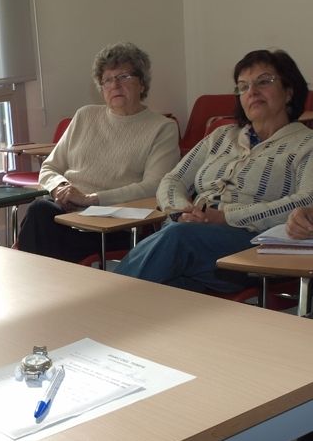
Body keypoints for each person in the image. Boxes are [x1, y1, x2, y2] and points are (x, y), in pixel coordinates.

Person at [116, 49, 313, 292]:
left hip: (248, 242)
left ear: (289, 91)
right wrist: (181, 210)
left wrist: (225, 217)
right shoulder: (221, 136)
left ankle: (99, 308)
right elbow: (173, 179)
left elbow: (307, 199)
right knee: (169, 287)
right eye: (243, 86)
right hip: (191, 236)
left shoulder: (306, 143)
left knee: (176, 242)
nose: (252, 92)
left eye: (264, 81)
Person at [17, 42, 179, 262]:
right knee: (40, 212)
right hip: (69, 214)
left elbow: (155, 186)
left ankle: (40, 283)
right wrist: (61, 187)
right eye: (107, 80)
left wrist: (92, 199)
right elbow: (49, 167)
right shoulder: (85, 116)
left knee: (40, 223)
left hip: (115, 223)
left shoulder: (162, 127)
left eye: (123, 77)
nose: (115, 85)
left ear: (142, 83)